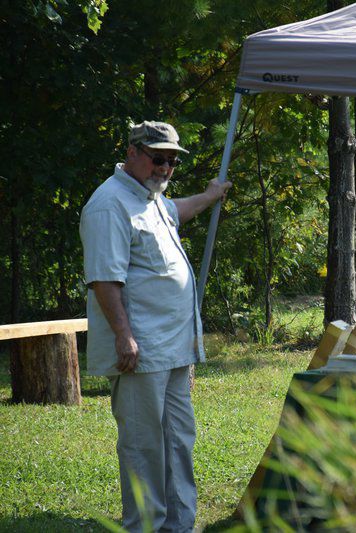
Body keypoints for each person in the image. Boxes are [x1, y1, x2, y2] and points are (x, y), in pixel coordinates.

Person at [80, 120, 231, 532]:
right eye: (157, 158)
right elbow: (104, 279)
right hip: (140, 353)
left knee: (179, 441)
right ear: (132, 152)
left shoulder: (151, 200)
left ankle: (179, 526)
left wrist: (209, 196)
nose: (165, 168)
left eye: (171, 161)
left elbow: (177, 210)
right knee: (145, 448)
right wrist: (124, 336)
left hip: (174, 349)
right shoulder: (109, 204)